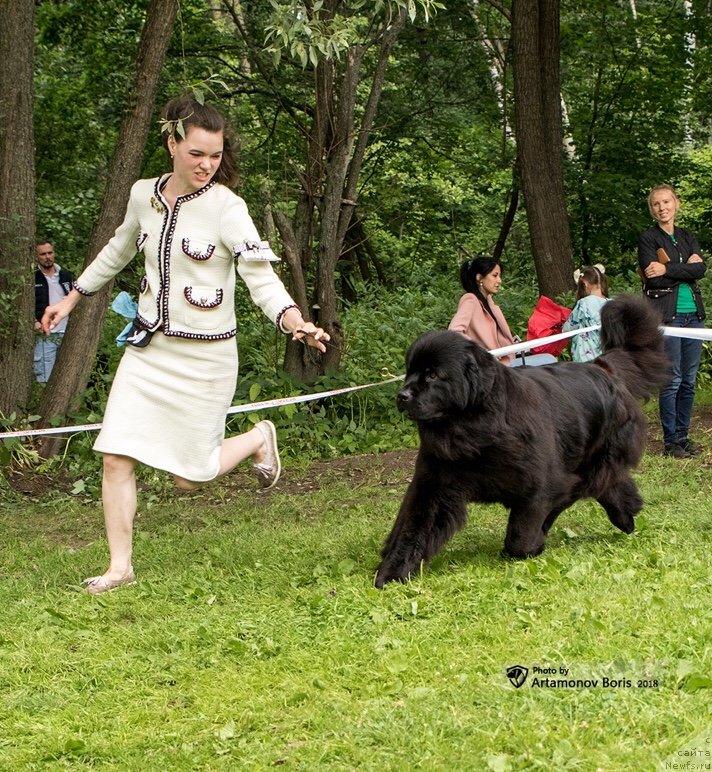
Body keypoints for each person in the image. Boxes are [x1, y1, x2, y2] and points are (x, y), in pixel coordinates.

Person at [41, 95, 330, 594]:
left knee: (191, 479)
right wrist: (71, 299)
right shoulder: (142, 196)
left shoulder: (227, 208)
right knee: (115, 454)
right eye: (197, 153)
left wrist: (294, 321)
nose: (206, 165)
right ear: (172, 144)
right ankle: (119, 567)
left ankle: (259, 438)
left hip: (207, 357)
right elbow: (117, 248)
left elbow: (260, 278)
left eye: (215, 155)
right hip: (150, 349)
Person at [638, 183, 706, 459]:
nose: (662, 207)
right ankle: (670, 441)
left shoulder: (687, 236)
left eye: (666, 202)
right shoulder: (648, 239)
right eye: (656, 204)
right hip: (667, 316)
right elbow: (652, 276)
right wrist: (684, 268)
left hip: (695, 317)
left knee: (688, 380)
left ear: (676, 204)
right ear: (652, 209)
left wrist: (668, 267)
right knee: (673, 379)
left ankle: (683, 435)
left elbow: (700, 269)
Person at [448, 255, 556, 366]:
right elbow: (455, 332)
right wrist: (482, 353)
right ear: (479, 277)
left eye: (499, 276)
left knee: (549, 359)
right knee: (549, 360)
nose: (499, 281)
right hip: (489, 367)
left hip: (502, 363)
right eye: (494, 276)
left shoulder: (488, 302)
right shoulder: (470, 299)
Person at [34, 242, 73, 382]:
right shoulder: (33, 277)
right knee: (44, 375)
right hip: (46, 333)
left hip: (67, 332)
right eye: (43, 254)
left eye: (50, 253)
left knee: (66, 374)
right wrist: (34, 321)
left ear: (54, 253)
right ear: (37, 257)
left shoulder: (65, 275)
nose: (47, 257)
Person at [562, 264, 609, 362]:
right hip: (609, 357)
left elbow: (567, 330)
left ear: (585, 284)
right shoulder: (612, 304)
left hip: (587, 359)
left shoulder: (584, 304)